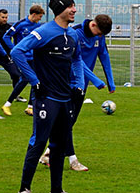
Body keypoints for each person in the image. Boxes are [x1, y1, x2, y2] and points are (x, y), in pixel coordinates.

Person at [11, 0, 84, 193]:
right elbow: (17, 52)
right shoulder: (44, 32)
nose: (74, 10)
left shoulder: (72, 35)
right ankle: (23, 191)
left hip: (64, 99)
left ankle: (56, 192)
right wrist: (34, 81)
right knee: (38, 142)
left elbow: (78, 60)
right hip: (46, 97)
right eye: (71, 6)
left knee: (59, 146)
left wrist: (78, 84)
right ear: (61, 8)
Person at [39, 14, 114, 171]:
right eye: (99, 33)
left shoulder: (99, 37)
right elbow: (78, 61)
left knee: (68, 123)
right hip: (67, 83)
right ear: (93, 25)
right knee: (67, 123)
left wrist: (110, 81)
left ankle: (48, 153)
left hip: (82, 86)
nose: (99, 37)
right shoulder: (75, 33)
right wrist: (95, 79)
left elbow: (104, 56)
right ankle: (72, 160)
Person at [1, 4, 45, 116]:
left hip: (33, 57)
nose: (40, 19)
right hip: (22, 58)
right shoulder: (20, 24)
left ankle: (30, 107)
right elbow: (6, 36)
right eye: (39, 16)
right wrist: (15, 50)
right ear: (34, 15)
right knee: (25, 79)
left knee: (36, 80)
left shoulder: (37, 25)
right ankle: (7, 104)